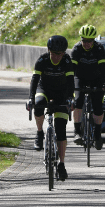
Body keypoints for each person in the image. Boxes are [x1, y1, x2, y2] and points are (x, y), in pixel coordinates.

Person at [26, 35, 75, 180]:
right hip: (44, 89)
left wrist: (70, 98)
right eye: (54, 53)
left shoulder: (67, 61)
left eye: (60, 54)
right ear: (49, 51)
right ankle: (40, 133)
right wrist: (30, 98)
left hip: (62, 92)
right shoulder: (42, 60)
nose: (57, 57)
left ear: (64, 53)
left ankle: (62, 164)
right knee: (39, 103)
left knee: (61, 130)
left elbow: (71, 82)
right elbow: (34, 81)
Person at [70, 24, 105, 150]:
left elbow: (103, 68)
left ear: (94, 40)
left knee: (98, 106)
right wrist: (70, 86)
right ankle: (77, 131)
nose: (87, 43)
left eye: (90, 41)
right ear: (81, 39)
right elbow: (72, 70)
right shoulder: (76, 49)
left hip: (96, 78)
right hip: (80, 78)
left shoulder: (99, 48)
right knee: (78, 101)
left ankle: (97, 134)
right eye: (84, 41)